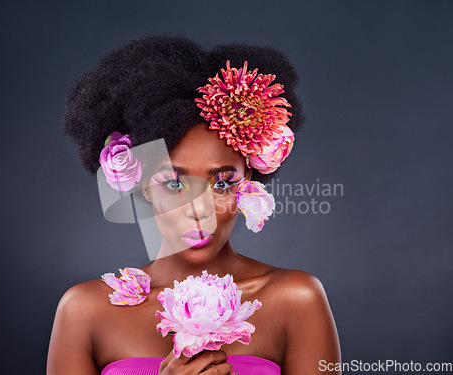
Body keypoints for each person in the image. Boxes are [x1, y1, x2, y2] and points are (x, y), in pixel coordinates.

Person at [47, 34, 341, 375]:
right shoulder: (85, 312)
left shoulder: (296, 300)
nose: (198, 209)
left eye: (221, 183)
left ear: (248, 182)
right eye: (174, 183)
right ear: (141, 184)